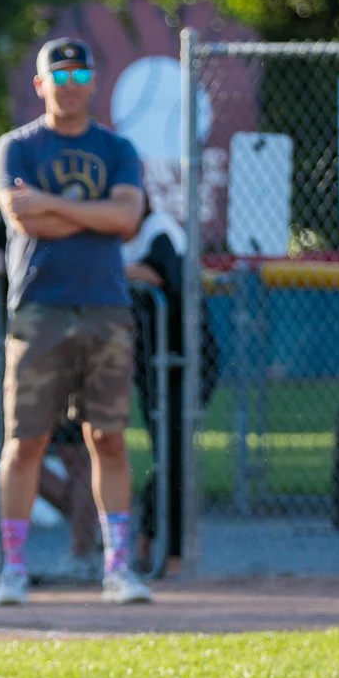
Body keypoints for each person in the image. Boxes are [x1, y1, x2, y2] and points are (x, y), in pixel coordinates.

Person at [0, 36, 152, 606]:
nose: (71, 85)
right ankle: (12, 571)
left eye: (82, 76)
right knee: (25, 441)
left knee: (108, 438)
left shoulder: (118, 148)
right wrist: (93, 216)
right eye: (60, 76)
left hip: (105, 308)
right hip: (38, 310)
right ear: (40, 84)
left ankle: (118, 568)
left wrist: (55, 205)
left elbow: (127, 218)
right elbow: (23, 219)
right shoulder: (16, 147)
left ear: (94, 84)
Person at [0, 215, 100, 580]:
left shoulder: (78, 216)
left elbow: (75, 269)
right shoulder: (14, 215)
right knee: (16, 449)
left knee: (78, 454)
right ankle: (84, 533)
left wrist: (11, 264)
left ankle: (84, 553)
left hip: (75, 349)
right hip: (25, 354)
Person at [123, 199, 219, 576]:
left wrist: (131, 271)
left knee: (175, 453)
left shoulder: (158, 229)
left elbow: (170, 279)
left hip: (192, 361)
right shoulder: (113, 240)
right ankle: (149, 539)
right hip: (152, 365)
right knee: (167, 455)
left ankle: (172, 554)